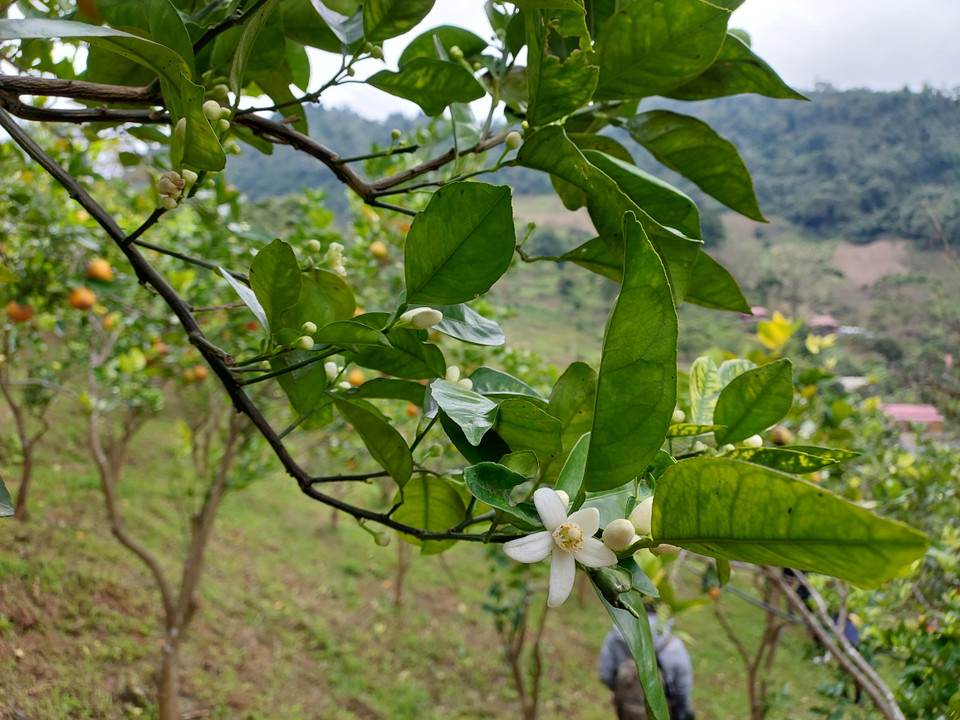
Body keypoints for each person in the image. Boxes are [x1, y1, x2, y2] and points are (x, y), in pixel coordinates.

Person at [598, 611, 695, 720]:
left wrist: (625, 690)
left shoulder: (616, 636)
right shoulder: (673, 646)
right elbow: (683, 686)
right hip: (662, 713)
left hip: (627, 711)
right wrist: (682, 707)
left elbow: (605, 675)